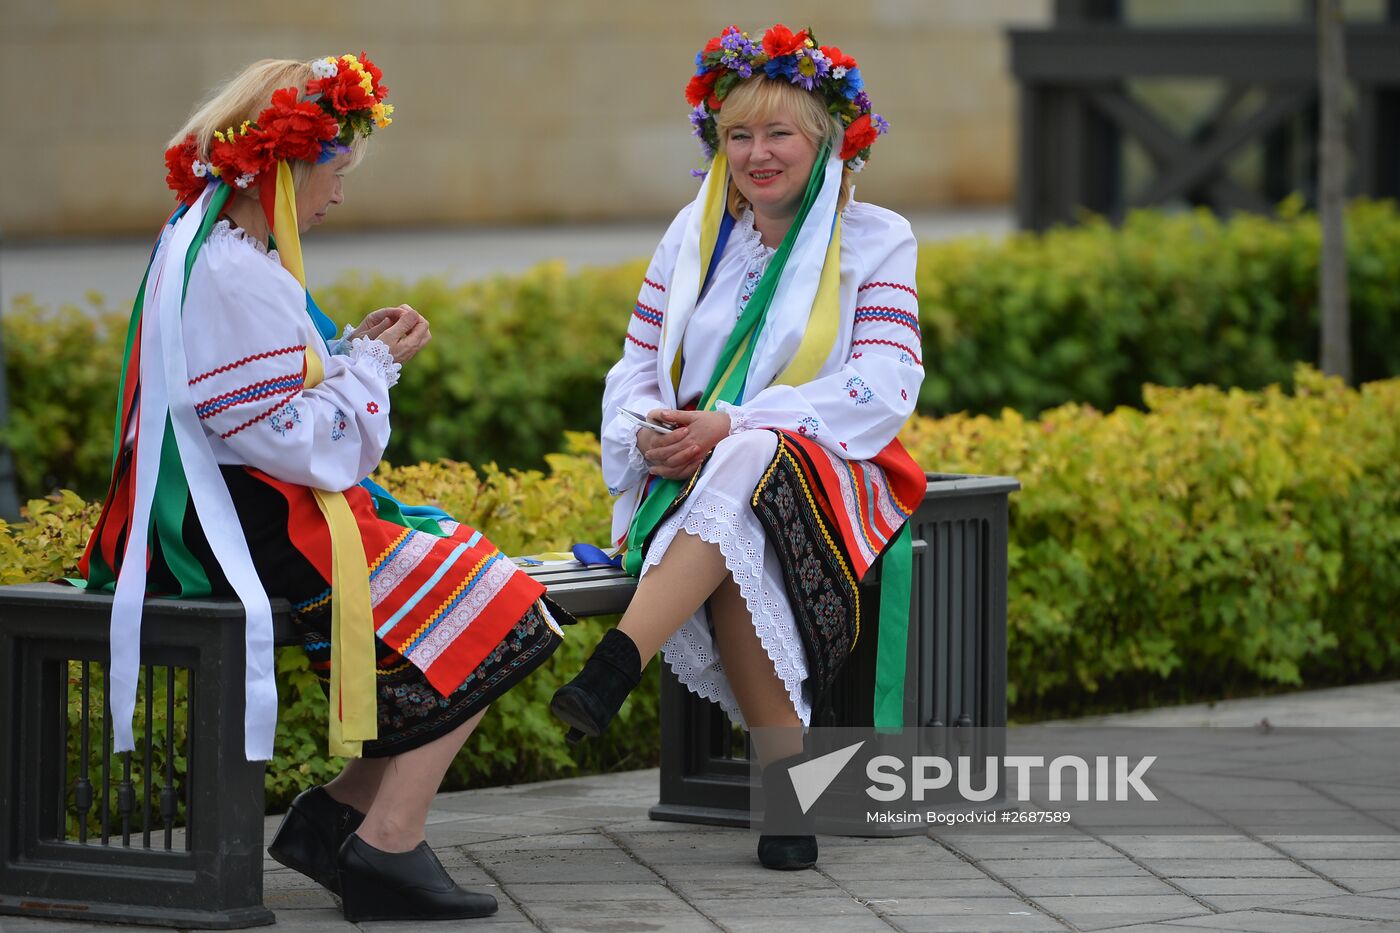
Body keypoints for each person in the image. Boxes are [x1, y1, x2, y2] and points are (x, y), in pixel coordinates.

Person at [79, 55, 567, 922]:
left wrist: (343, 355)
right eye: (334, 175)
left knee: (479, 585)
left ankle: (339, 815)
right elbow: (292, 442)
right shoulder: (234, 271)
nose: (338, 198)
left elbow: (259, 407)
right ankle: (383, 844)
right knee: (510, 612)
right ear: (286, 168)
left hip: (230, 502)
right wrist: (376, 365)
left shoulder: (216, 243)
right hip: (241, 524)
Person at [551, 25, 926, 871]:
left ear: (825, 138)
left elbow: (887, 383)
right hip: (696, 482)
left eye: (779, 133)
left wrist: (732, 422)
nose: (759, 154)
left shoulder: (876, 238)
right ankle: (788, 803)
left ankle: (617, 660)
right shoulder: (694, 236)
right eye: (739, 135)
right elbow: (638, 364)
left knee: (749, 453)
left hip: (829, 468)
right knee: (736, 553)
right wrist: (649, 431)